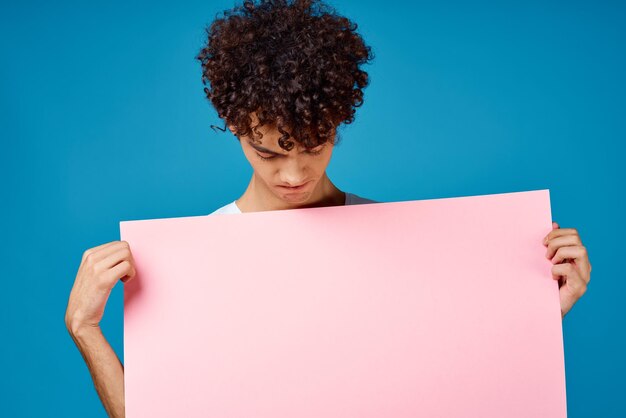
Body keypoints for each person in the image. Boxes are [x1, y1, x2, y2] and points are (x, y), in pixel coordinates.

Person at [64, 1, 592, 417]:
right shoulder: (194, 264)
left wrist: (533, 314)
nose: (292, 175)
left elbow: (457, 390)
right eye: (268, 151)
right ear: (233, 126)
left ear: (338, 124)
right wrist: (86, 329)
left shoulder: (405, 246)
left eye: (313, 146)